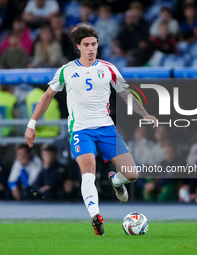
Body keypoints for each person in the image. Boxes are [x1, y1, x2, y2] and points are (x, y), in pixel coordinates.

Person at [24, 24, 157, 236]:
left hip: (106, 128)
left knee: (131, 174)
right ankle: (96, 216)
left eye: (94, 44)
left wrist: (145, 114)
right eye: (86, 45)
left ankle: (116, 179)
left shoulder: (108, 69)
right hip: (81, 130)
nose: (91, 48)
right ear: (78, 46)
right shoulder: (66, 71)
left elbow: (125, 94)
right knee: (88, 173)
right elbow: (47, 96)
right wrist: (32, 124)